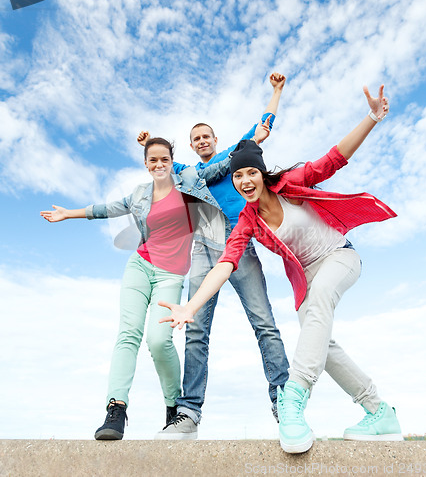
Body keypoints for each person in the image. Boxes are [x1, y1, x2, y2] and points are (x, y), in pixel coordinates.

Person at [159, 85, 404, 453]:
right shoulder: (247, 219)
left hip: (340, 257)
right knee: (320, 341)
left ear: (261, 174)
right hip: (308, 277)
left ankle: (292, 400)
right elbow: (226, 263)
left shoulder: (291, 183)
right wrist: (191, 307)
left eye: (250, 174)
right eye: (238, 176)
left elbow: (333, 159)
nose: (244, 181)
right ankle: (379, 411)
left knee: (319, 305)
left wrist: (372, 117)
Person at [40, 135, 242, 440]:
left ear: (172, 162)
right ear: (146, 164)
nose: (159, 164)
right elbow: (108, 209)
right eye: (153, 160)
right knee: (127, 335)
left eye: (164, 159)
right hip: (140, 266)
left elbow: (220, 167)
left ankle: (174, 408)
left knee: (159, 340)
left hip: (171, 274)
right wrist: (69, 213)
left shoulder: (189, 180)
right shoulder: (139, 194)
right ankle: (116, 409)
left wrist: (253, 139)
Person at [138, 73, 290, 440]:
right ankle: (188, 413)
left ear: (215, 140)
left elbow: (262, 128)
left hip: (238, 241)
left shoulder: (232, 156)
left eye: (206, 136)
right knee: (195, 329)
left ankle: (285, 402)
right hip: (203, 246)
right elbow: (159, 165)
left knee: (263, 322)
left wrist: (276, 92)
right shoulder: (185, 172)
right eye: (196, 139)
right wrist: (145, 144)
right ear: (191, 146)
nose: (202, 140)